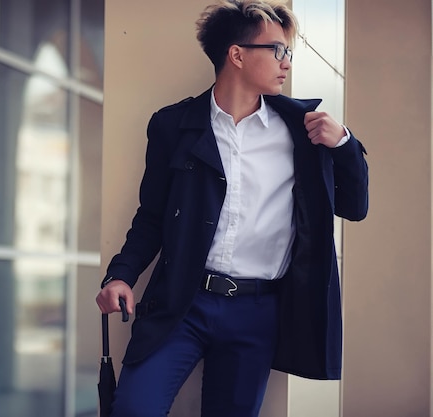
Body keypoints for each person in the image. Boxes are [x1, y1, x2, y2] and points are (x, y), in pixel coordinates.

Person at [95, 0, 369, 416]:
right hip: (182, 303)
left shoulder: (304, 131)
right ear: (237, 55)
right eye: (277, 50)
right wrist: (121, 275)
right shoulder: (174, 125)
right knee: (133, 408)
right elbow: (151, 215)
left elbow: (355, 207)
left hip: (258, 312)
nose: (286, 63)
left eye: (289, 53)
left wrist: (345, 145)